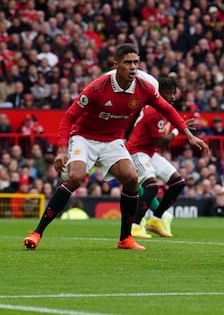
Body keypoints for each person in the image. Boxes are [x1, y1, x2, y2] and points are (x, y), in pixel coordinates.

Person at [23, 44, 209, 251]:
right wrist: (61, 149)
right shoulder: (97, 88)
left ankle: (125, 238)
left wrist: (188, 135)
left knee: (131, 179)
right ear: (116, 65)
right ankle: (37, 233)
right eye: (128, 62)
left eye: (136, 63)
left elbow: (167, 109)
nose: (133, 67)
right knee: (75, 178)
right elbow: (68, 117)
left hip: (112, 141)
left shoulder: (144, 88)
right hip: (84, 138)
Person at [126, 75, 189, 239]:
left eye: (174, 92)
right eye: (169, 93)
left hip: (149, 152)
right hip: (136, 151)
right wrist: (177, 131)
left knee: (178, 182)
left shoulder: (162, 109)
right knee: (151, 186)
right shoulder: (154, 111)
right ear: (159, 93)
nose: (173, 97)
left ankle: (156, 219)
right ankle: (134, 225)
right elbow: (160, 142)